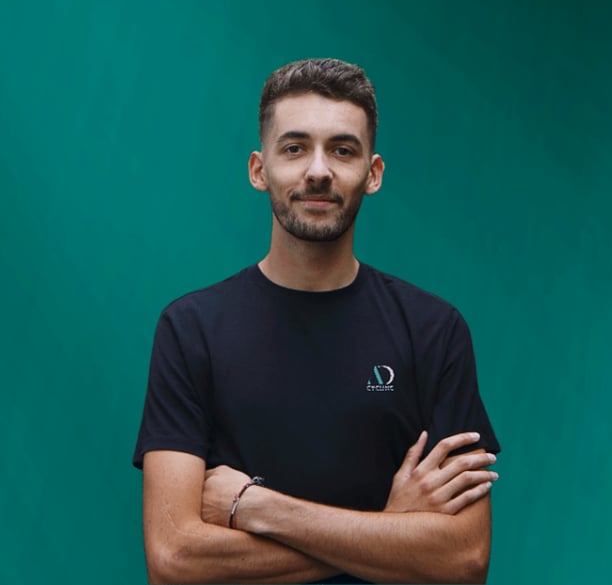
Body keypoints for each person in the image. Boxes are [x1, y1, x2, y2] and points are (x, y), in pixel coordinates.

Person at [133, 58, 501, 584]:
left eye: (343, 150)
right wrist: (389, 530)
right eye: (295, 147)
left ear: (372, 174)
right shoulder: (191, 330)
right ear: (259, 169)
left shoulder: (434, 332)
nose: (319, 170)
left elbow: (463, 560)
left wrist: (258, 508)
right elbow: (174, 561)